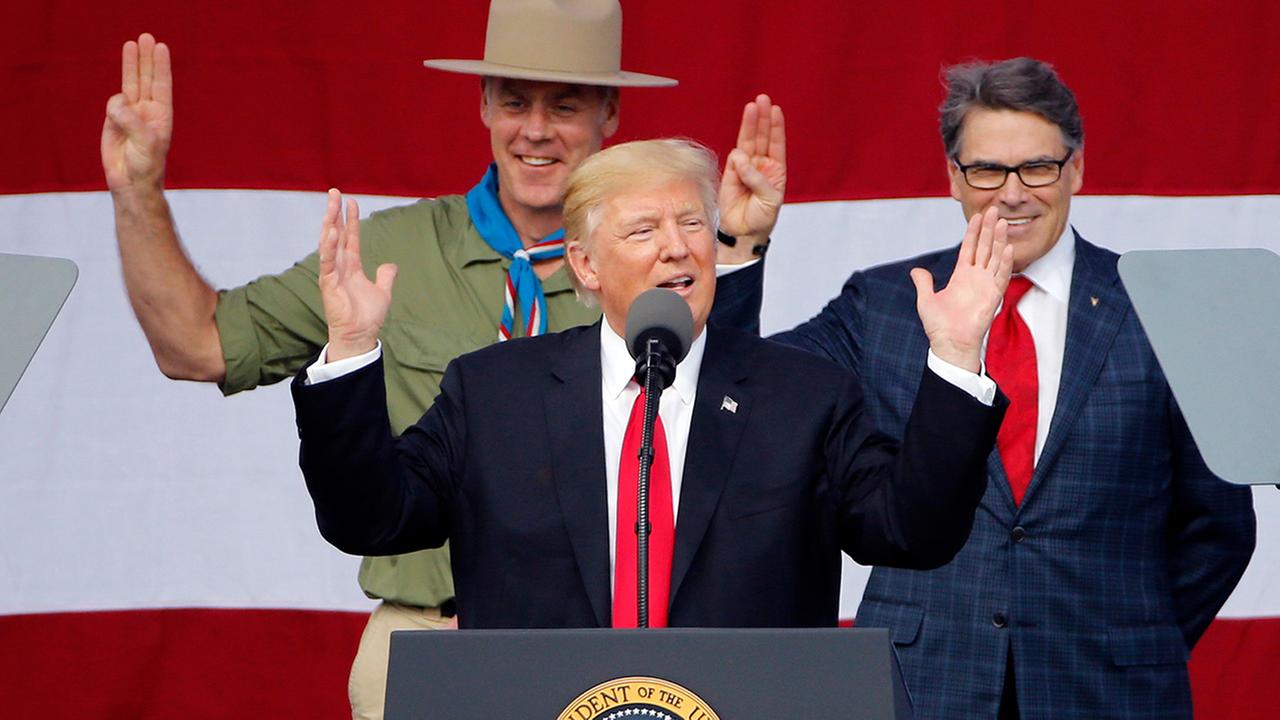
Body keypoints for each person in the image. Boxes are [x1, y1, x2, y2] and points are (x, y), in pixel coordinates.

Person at [99, 2, 778, 717]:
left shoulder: (655, 257)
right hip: (426, 635)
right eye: (514, 100)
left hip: (613, 650)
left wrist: (732, 249)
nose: (537, 129)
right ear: (484, 102)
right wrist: (136, 189)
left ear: (609, 112)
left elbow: (721, 422)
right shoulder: (394, 251)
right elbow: (197, 345)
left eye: (566, 104)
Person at [290, 138, 1011, 630]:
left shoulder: (805, 397)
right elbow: (370, 520)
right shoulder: (492, 394)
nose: (678, 246)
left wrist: (953, 358)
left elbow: (912, 532)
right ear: (585, 264)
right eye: (644, 231)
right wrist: (352, 348)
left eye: (693, 223)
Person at [774, 58, 1257, 719]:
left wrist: (1135, 638)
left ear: (1076, 170)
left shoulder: (1162, 308)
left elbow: (1219, 528)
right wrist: (740, 249)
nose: (1012, 193)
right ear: (953, 178)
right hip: (924, 684)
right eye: (987, 170)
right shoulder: (883, 304)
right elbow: (755, 387)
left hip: (1110, 691)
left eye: (1037, 167)